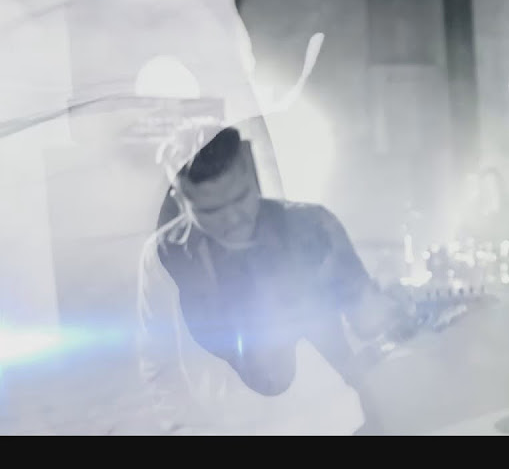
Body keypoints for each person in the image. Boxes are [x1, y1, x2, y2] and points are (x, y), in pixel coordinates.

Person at [135, 125, 408, 435]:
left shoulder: (313, 226)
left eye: (241, 197)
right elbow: (159, 362)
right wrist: (182, 429)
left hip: (337, 425)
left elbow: (369, 320)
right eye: (211, 210)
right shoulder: (162, 256)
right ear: (180, 199)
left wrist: (394, 311)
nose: (233, 218)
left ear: (251, 173)